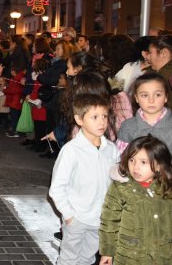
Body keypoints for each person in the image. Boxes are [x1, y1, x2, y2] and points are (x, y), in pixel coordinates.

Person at [48, 93, 119, 265]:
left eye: (104, 116)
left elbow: (115, 178)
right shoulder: (71, 150)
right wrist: (69, 215)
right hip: (77, 217)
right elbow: (57, 188)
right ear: (79, 120)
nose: (102, 121)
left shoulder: (110, 148)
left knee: (88, 257)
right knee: (69, 258)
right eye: (94, 117)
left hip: (100, 217)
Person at [99, 135, 172, 265]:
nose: (135, 167)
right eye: (132, 160)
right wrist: (107, 251)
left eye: (143, 162)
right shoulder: (120, 188)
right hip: (130, 255)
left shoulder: (167, 188)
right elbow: (109, 221)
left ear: (158, 165)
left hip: (163, 255)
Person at [116, 73, 172, 153]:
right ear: (136, 98)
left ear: (166, 97)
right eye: (145, 95)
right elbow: (121, 157)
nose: (151, 100)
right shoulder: (128, 127)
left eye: (157, 95)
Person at [4, 65, 26, 138]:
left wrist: (5, 90)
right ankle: (14, 130)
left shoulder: (18, 79)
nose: (11, 72)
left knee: (15, 116)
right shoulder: (16, 78)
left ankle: (15, 131)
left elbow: (16, 90)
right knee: (14, 116)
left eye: (12, 71)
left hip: (16, 100)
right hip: (14, 100)